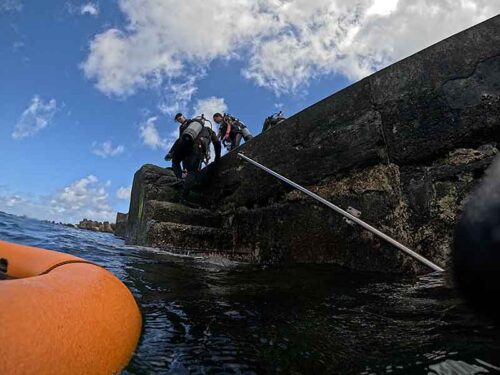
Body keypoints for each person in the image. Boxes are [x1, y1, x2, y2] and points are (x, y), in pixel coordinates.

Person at [165, 113, 221, 180]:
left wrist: (172, 152)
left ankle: (180, 180)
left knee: (176, 162)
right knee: (192, 171)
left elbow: (180, 139)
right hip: (197, 150)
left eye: (180, 118)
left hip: (186, 148)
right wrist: (217, 157)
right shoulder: (208, 130)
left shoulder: (187, 126)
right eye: (178, 120)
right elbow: (217, 143)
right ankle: (186, 184)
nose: (180, 120)